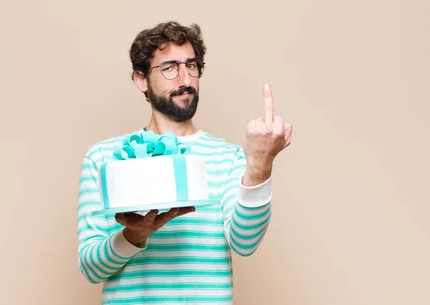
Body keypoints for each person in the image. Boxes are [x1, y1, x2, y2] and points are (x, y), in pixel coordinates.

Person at [77, 21, 292, 304]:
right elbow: (90, 268)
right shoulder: (102, 158)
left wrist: (260, 165)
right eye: (169, 68)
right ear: (141, 79)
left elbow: (245, 242)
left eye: (191, 65)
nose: (185, 80)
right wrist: (132, 235)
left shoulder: (228, 158)